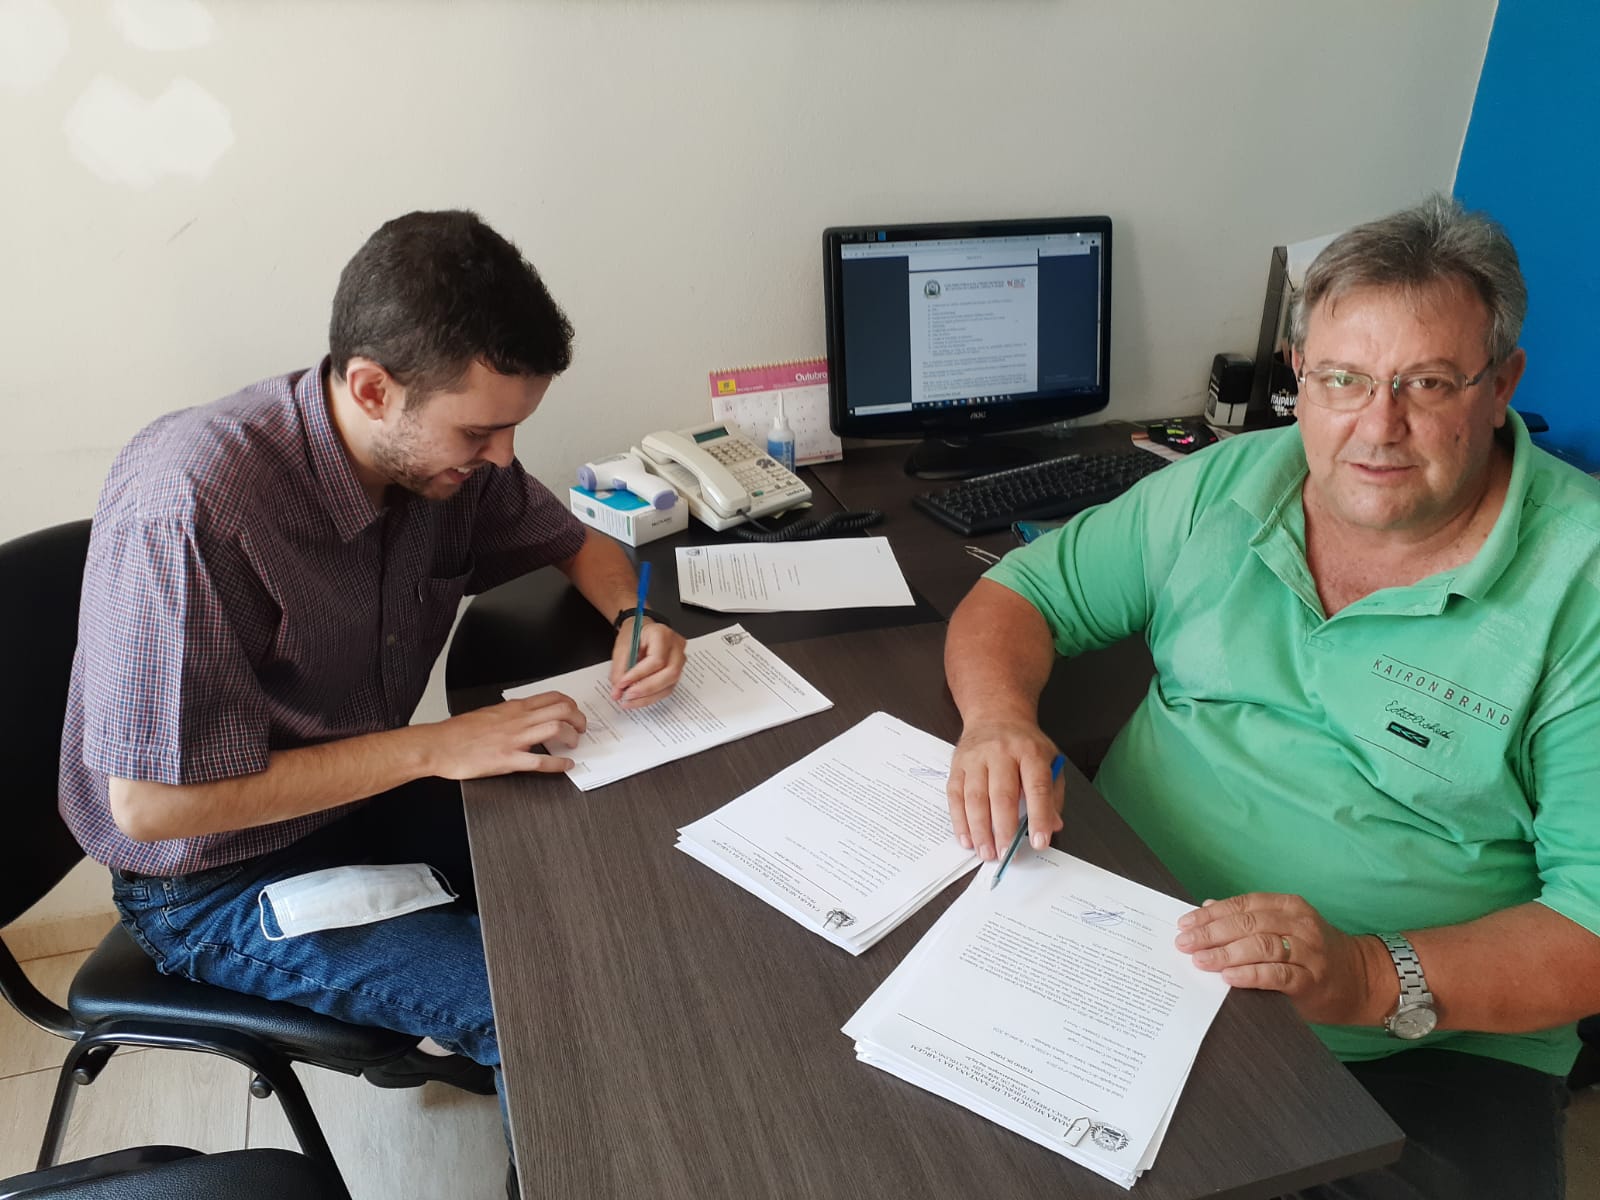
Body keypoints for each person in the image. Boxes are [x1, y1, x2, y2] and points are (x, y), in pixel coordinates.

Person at [943, 195, 1600, 1200]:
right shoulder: (1231, 481)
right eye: (1343, 379)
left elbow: (1590, 927)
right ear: (1300, 374)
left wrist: (1367, 974)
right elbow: (1021, 593)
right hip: (1117, 934)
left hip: (1412, 1042)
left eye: (1426, 383)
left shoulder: (1581, 589)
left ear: (1501, 383)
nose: (1377, 427)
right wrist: (997, 718)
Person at [59, 210, 686, 1187]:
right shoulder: (192, 505)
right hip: (211, 880)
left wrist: (630, 614)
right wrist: (436, 747)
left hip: (357, 800)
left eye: (512, 428)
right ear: (370, 388)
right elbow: (152, 807)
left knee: (604, 855)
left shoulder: (446, 465)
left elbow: (573, 541)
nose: (501, 457)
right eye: (479, 431)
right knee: (546, 1008)